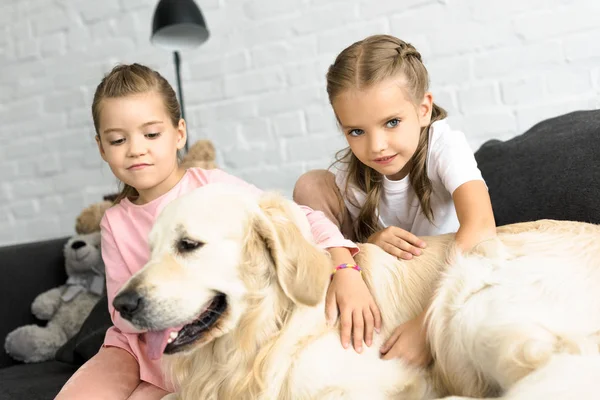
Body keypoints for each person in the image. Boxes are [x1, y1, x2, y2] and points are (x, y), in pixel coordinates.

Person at [56, 63, 380, 399]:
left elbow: (291, 217)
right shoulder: (114, 221)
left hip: (196, 346)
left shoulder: (211, 188)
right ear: (102, 147)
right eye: (118, 139)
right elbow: (119, 309)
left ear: (179, 133)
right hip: (135, 343)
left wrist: (344, 266)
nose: (136, 148)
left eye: (151, 134)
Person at [293, 34, 497, 367]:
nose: (376, 147)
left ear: (423, 109)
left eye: (392, 123)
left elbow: (481, 227)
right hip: (387, 280)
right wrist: (365, 247)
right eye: (356, 131)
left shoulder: (444, 145)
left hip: (444, 277)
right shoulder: (352, 175)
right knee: (310, 184)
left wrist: (428, 325)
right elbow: (349, 241)